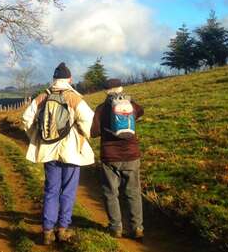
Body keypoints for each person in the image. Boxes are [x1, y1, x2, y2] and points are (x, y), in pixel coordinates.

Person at [22, 62, 95, 245]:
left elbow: (26, 118)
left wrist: (36, 137)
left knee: (51, 191)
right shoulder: (74, 98)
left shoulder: (43, 97)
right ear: (69, 79)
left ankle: (47, 231)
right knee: (68, 191)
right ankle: (62, 230)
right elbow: (89, 121)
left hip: (48, 151)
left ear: (54, 79)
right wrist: (84, 134)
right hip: (71, 152)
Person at [90, 78, 144, 239]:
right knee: (133, 192)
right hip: (131, 155)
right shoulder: (132, 105)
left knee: (110, 192)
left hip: (110, 156)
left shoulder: (101, 108)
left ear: (106, 91)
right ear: (121, 88)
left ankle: (116, 228)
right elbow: (141, 112)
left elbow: (94, 132)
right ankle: (137, 228)